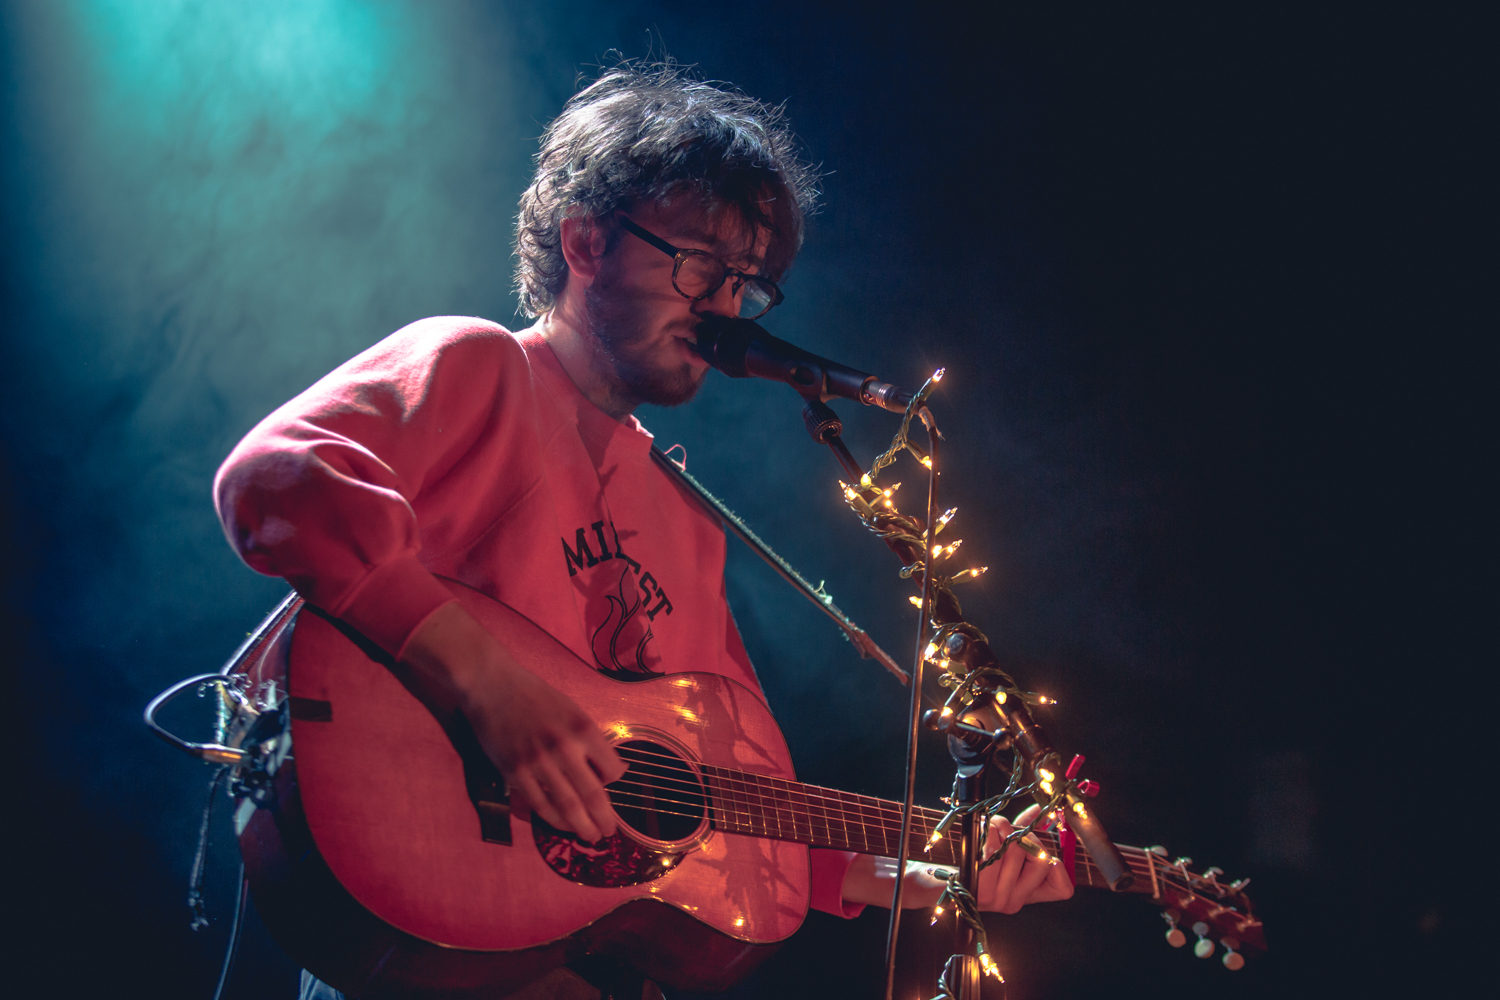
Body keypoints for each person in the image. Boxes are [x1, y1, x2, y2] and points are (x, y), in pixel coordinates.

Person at [215, 62, 1072, 1000]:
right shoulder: (478, 365)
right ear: (585, 241)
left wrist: (940, 869)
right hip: (429, 914)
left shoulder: (683, 509)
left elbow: (723, 792)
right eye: (700, 264)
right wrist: (493, 689)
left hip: (567, 948)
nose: (726, 308)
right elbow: (275, 480)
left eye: (747, 282)